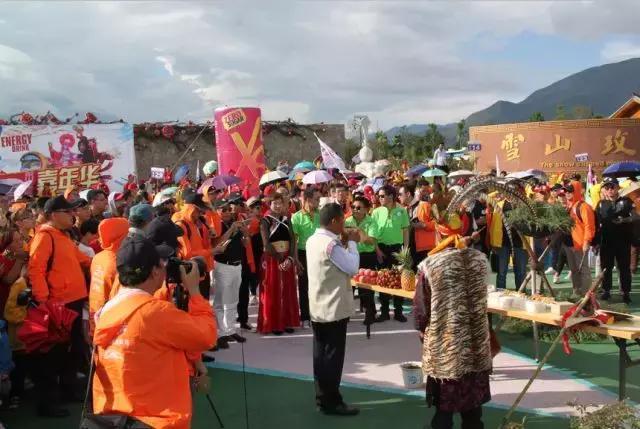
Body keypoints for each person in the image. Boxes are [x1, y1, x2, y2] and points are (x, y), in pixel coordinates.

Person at [92, 235, 217, 428]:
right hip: (156, 418)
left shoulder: (107, 309)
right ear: (154, 272)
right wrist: (195, 293)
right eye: (162, 265)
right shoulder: (155, 313)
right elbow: (206, 336)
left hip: (114, 415)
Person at [413, 227, 492, 429]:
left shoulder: (431, 265)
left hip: (446, 343)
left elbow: (422, 308)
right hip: (475, 340)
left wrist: (422, 330)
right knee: (473, 405)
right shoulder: (481, 260)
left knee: (444, 405)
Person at [28, 196, 92, 416]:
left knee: (72, 351)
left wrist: (104, 262)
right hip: (57, 305)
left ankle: (68, 390)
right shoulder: (45, 237)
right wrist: (44, 301)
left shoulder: (62, 236)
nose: (72, 216)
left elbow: (82, 259)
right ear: (54, 215)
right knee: (52, 356)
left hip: (72, 301)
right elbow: (35, 270)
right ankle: (48, 403)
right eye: (68, 212)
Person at [306, 203, 360, 416]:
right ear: (335, 221)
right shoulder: (330, 244)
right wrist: (353, 244)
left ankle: (322, 398)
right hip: (334, 307)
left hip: (318, 306)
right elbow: (352, 267)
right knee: (333, 357)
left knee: (320, 355)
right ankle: (332, 401)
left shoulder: (312, 240)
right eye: (343, 221)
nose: (345, 225)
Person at [257, 193, 301, 335]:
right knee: (273, 290)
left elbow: (293, 239)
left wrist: (290, 259)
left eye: (280, 203)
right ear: (269, 204)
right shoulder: (265, 221)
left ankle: (287, 322)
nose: (277, 206)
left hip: (286, 257)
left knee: (287, 290)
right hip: (272, 259)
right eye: (274, 203)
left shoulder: (286, 219)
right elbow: (266, 243)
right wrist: (280, 259)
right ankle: (274, 324)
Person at [211, 199, 249, 348]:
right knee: (221, 301)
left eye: (228, 209)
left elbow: (245, 244)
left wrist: (245, 233)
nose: (227, 212)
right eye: (223, 209)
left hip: (237, 265)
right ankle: (221, 333)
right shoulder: (216, 224)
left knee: (233, 300)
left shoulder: (236, 223)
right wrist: (231, 229)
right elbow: (217, 244)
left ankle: (230, 329)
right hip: (222, 265)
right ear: (218, 211)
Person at [370, 185, 409, 322]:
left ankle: (398, 312)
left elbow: (405, 231)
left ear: (391, 196)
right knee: (383, 280)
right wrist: (377, 250)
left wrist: (405, 249)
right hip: (381, 248)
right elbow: (372, 233)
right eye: (379, 196)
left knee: (398, 280)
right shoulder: (376, 212)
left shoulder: (402, 211)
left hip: (397, 250)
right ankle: (384, 312)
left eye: (382, 196)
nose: (379, 198)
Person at [89, 217, 130, 336]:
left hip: (95, 317)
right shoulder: (119, 263)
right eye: (127, 234)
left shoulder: (98, 257)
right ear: (120, 237)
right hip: (111, 323)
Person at [595, 177, 634, 303]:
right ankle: (606, 291)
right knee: (606, 267)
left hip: (623, 241)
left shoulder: (626, 201)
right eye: (607, 187)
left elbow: (636, 217)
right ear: (604, 190)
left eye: (612, 187)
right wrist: (595, 242)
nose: (610, 189)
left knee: (624, 268)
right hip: (606, 241)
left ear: (617, 188)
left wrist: (624, 220)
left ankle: (625, 292)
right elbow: (596, 224)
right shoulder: (601, 204)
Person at [344, 196, 378, 325]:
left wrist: (359, 232)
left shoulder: (371, 222)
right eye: (353, 207)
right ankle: (345, 313)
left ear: (366, 209)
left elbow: (372, 241)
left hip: (366, 256)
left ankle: (370, 313)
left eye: (359, 208)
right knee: (349, 286)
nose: (355, 210)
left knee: (366, 287)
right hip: (350, 256)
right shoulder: (347, 221)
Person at [291, 187, 321, 326]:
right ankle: (305, 316)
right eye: (317, 199)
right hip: (303, 254)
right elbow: (295, 242)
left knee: (319, 285)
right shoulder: (296, 217)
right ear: (308, 200)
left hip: (320, 254)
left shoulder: (321, 215)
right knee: (304, 286)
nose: (319, 202)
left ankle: (319, 314)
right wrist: (296, 260)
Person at [487, 195, 527, 290]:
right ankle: (501, 293)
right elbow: (493, 226)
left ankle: (521, 293)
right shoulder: (499, 205)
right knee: (501, 272)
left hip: (520, 243)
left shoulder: (522, 205)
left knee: (520, 272)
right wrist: (493, 243)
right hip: (503, 243)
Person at [563, 184, 595, 295]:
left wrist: (586, 241)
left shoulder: (584, 207)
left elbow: (589, 226)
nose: (567, 193)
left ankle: (587, 296)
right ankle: (576, 293)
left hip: (580, 244)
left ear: (577, 191)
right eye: (565, 191)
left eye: (570, 191)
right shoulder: (566, 206)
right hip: (568, 243)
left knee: (584, 270)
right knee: (574, 270)